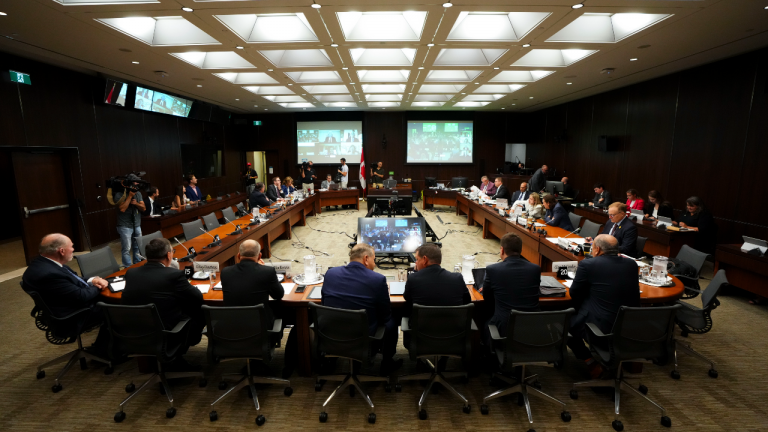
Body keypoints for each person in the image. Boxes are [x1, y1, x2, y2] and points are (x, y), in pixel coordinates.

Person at [22, 234, 112, 355]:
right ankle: (107, 351)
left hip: (60, 307)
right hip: (72, 316)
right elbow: (81, 296)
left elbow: (73, 279)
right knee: (116, 308)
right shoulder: (50, 274)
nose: (73, 249)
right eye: (72, 246)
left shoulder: (44, 263)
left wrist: (92, 280)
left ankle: (103, 346)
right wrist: (99, 287)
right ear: (62, 251)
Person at [121, 238, 204, 368]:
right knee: (200, 311)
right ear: (169, 255)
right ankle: (177, 357)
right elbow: (197, 297)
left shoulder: (131, 273)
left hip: (135, 333)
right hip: (167, 333)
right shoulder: (174, 275)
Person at [322, 244, 402, 375]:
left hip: (332, 336)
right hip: (364, 339)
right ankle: (387, 364)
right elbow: (385, 316)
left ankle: (331, 359)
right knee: (392, 322)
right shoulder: (377, 280)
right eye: (374, 259)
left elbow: (324, 303)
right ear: (366, 259)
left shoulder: (330, 273)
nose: (374, 264)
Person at [567, 235, 640, 378]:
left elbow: (574, 293)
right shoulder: (631, 264)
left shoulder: (588, 265)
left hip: (602, 328)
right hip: (629, 328)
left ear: (597, 249)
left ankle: (591, 363)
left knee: (564, 322)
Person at [480, 233, 541, 343]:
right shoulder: (535, 269)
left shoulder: (493, 270)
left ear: (502, 250)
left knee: (482, 318)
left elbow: (487, 297)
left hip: (504, 330)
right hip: (532, 327)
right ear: (520, 250)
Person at [221, 240, 284, 327]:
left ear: (238, 255)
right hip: (261, 329)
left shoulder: (225, 272)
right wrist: (262, 268)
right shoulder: (267, 272)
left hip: (232, 328)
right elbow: (278, 295)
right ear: (260, 256)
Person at [403, 243, 470, 318]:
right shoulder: (457, 278)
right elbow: (467, 301)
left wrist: (416, 273)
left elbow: (407, 298)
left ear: (425, 260)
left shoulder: (413, 279)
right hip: (453, 328)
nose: (416, 263)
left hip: (423, 328)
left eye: (417, 259)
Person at [114, 178, 146, 267]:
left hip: (136, 224)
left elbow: (143, 208)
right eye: (134, 183)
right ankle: (127, 267)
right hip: (125, 225)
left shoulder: (138, 193)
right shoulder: (119, 194)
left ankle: (138, 264)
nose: (136, 185)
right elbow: (122, 208)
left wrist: (136, 203)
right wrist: (130, 196)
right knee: (126, 249)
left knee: (138, 246)